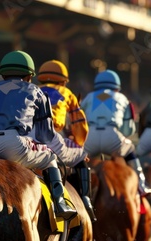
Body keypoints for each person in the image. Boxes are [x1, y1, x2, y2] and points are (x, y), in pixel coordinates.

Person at [0, 50, 77, 221]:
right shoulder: (36, 91)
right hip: (15, 144)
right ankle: (60, 203)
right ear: (29, 75)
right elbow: (46, 134)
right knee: (50, 158)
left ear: (3, 73)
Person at [37, 59, 96, 221]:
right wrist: (79, 144)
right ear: (63, 80)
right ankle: (86, 201)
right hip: (51, 135)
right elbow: (79, 122)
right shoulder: (67, 93)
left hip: (27, 136)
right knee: (81, 157)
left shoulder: (32, 89)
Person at [81, 69, 151, 196]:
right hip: (112, 136)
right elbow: (128, 130)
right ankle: (141, 185)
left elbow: (80, 122)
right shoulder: (122, 98)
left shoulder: (89, 97)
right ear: (116, 86)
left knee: (75, 159)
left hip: (90, 137)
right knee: (130, 148)